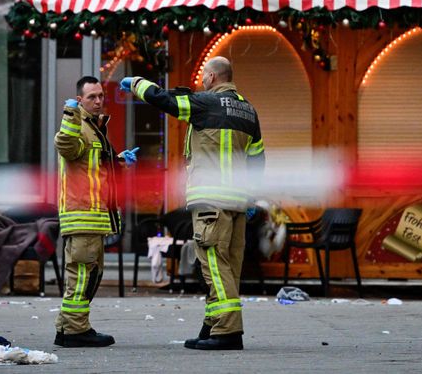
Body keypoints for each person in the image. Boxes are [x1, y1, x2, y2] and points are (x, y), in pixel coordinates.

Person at [120, 56, 264, 351]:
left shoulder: (206, 103)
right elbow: (257, 161)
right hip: (237, 204)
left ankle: (227, 332)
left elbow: (166, 101)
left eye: (203, 77)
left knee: (214, 264)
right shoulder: (249, 111)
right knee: (227, 268)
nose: (201, 82)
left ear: (212, 77)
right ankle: (211, 327)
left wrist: (136, 83)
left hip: (211, 201)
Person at [53, 75, 133, 348]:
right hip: (83, 215)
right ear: (79, 100)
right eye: (92, 97)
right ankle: (77, 330)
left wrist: (118, 160)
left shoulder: (95, 128)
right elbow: (66, 146)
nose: (99, 101)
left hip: (94, 217)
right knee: (83, 274)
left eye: (101, 96)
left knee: (89, 273)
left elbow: (93, 168)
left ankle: (67, 327)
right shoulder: (77, 126)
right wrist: (69, 115)